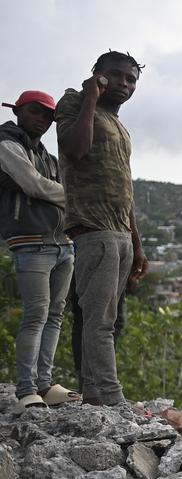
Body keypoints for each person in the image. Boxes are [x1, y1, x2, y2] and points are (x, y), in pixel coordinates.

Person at [55, 50, 148, 407]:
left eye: (132, 79)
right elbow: (74, 149)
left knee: (109, 318)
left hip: (120, 231)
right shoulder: (75, 102)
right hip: (93, 229)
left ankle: (96, 393)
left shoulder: (119, 125)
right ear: (98, 74)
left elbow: (124, 188)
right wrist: (91, 96)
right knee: (100, 320)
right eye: (117, 75)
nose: (125, 84)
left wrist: (137, 244)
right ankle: (110, 396)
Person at [1, 90, 77, 409]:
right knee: (36, 314)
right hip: (31, 241)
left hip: (62, 244)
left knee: (55, 315)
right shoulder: (7, 144)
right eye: (36, 112)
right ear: (19, 111)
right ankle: (25, 389)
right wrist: (74, 196)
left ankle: (44, 385)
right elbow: (33, 185)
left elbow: (44, 187)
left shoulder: (46, 153)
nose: (43, 120)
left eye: (48, 115)